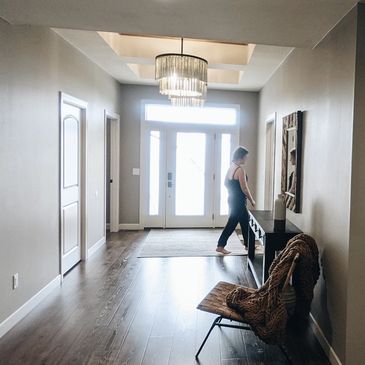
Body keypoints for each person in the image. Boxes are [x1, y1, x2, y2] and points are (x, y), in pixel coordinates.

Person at [216, 146, 256, 254]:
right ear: (241, 157)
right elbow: (244, 188)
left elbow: (226, 183)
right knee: (232, 223)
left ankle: (248, 245)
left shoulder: (231, 167)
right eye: (246, 157)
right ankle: (220, 245)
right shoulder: (240, 170)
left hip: (232, 199)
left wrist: (233, 191)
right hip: (238, 201)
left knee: (245, 222)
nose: (246, 159)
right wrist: (252, 200)